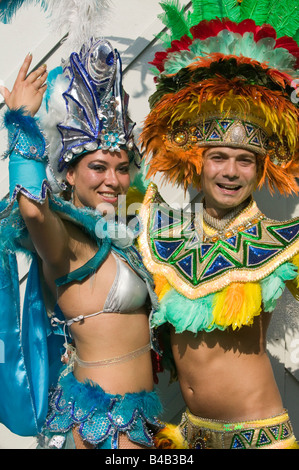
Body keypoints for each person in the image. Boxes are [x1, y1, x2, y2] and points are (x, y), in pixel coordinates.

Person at [137, 0, 299, 449]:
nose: (230, 172)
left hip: (257, 436)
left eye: (244, 160)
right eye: (219, 158)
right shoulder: (160, 230)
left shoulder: (283, 242)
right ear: (197, 162)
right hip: (187, 435)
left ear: (260, 169)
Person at [0, 38, 162, 449]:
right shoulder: (66, 241)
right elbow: (35, 211)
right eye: (97, 167)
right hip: (98, 433)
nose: (113, 180)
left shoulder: (123, 235)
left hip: (139, 427)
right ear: (69, 174)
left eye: (122, 168)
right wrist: (21, 121)